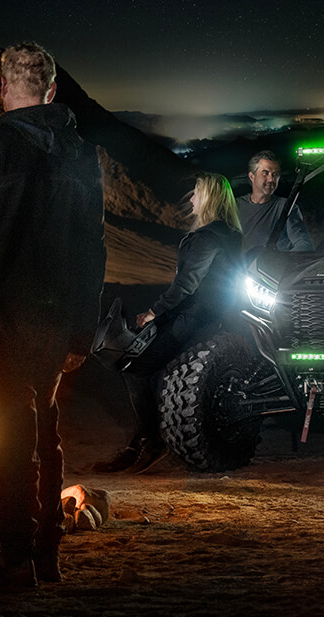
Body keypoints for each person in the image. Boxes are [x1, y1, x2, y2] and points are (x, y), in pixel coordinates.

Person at [0, 42, 106, 589]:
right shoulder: (81, 154)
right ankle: (46, 556)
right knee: (47, 436)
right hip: (57, 323)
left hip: (3, 323)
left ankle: (16, 561)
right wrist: (83, 328)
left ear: (6, 88)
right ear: (53, 92)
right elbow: (93, 249)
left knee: (9, 439)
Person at [94, 171, 243, 475]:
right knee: (146, 366)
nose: (191, 197)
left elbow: (188, 282)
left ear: (210, 197)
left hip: (194, 317)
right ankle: (142, 440)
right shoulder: (226, 234)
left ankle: (151, 441)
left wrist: (154, 312)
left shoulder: (210, 236)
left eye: (197, 192)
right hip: (206, 316)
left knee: (135, 367)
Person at [236, 150, 313, 252]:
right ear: (252, 176)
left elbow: (304, 244)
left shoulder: (286, 207)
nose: (271, 179)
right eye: (265, 173)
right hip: (242, 267)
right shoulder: (236, 206)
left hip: (272, 267)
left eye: (275, 174)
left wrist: (281, 263)